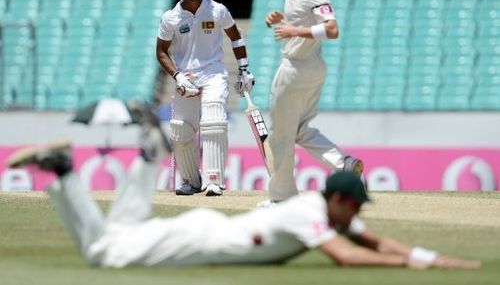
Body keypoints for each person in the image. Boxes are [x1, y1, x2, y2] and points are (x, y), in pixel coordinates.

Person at [5, 140, 480, 269]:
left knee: (122, 230)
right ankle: (67, 172)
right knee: (102, 252)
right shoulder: (313, 214)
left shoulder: (322, 208)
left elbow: (367, 238)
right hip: (197, 240)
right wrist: (412, 268)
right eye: (354, 207)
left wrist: (430, 258)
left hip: (205, 232)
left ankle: (149, 156)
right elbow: (349, 255)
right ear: (338, 199)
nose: (357, 216)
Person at [264, 0, 363, 204]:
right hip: (312, 67)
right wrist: (283, 22)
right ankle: (343, 164)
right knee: (299, 130)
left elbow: (332, 29)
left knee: (281, 136)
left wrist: (293, 31)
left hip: (296, 68)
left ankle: (282, 198)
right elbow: (304, 24)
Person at [156, 0, 254, 197]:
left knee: (213, 120)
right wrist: (178, 77)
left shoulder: (217, 10)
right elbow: (161, 51)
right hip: (186, 77)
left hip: (214, 73)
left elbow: (236, 37)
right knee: (180, 130)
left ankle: (214, 180)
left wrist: (243, 70)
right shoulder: (170, 18)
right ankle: (190, 180)